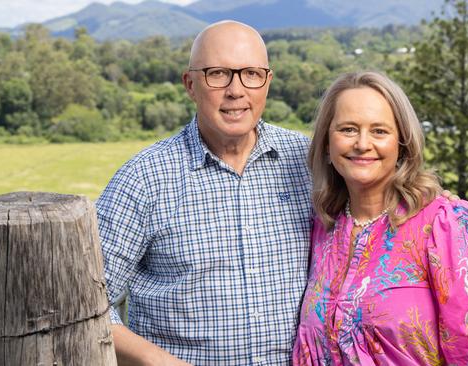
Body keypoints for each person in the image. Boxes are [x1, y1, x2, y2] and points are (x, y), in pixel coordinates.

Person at [96, 20, 312, 365]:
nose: (236, 90)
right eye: (218, 74)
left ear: (267, 83)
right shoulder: (144, 179)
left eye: (251, 74)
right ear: (190, 84)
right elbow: (88, 302)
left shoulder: (308, 162)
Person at [292, 71, 468, 365]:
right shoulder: (323, 228)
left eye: (379, 131)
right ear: (327, 145)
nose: (362, 143)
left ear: (402, 145)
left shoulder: (447, 225)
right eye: (348, 129)